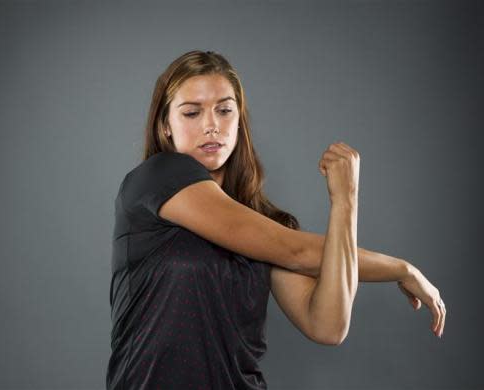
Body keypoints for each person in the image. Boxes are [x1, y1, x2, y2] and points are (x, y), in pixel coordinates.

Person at [106, 50, 446, 389]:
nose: (211, 125)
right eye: (192, 113)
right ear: (166, 125)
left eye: (224, 110)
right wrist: (401, 268)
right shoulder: (158, 178)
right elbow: (296, 251)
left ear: (239, 120)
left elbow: (327, 325)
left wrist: (345, 201)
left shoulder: (266, 226)